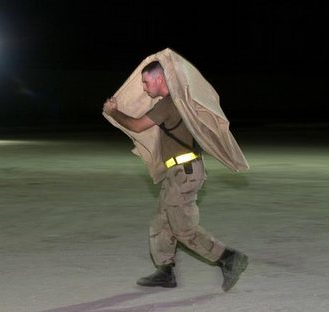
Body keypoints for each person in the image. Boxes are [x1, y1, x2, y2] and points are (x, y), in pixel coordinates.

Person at [103, 61, 248, 292]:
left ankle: (229, 258)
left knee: (184, 230)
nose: (143, 87)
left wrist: (114, 112)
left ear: (160, 79)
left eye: (145, 81)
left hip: (184, 174)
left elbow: (138, 126)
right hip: (180, 172)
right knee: (161, 223)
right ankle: (165, 271)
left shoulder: (168, 104)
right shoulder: (180, 101)